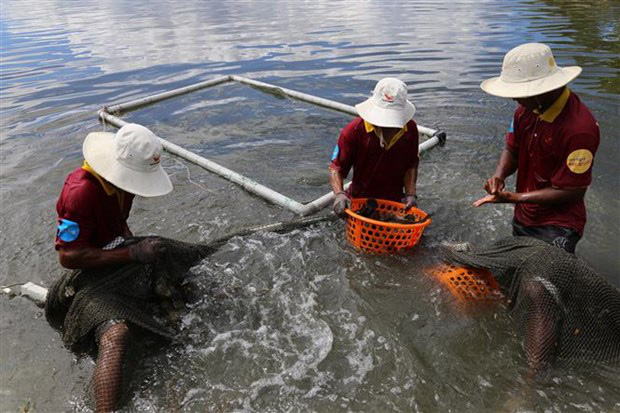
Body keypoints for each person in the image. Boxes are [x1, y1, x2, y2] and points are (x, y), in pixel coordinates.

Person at [48, 123, 181, 412]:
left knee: (166, 261)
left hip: (114, 254)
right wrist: (132, 254)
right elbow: (69, 257)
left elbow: (118, 223)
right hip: (87, 272)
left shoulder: (122, 186)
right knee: (117, 334)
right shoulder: (80, 192)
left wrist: (132, 247)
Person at [474, 43, 600, 253]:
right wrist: (499, 176)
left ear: (542, 90)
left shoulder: (579, 130)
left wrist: (515, 198)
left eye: (518, 93)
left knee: (539, 283)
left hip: (559, 224)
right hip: (525, 214)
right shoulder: (525, 111)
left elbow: (573, 191)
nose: (514, 98)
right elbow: (512, 150)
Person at [329, 77, 420, 218]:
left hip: (395, 202)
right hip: (360, 201)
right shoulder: (353, 131)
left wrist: (411, 193)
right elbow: (337, 168)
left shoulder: (410, 130)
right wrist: (339, 194)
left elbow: (411, 164)